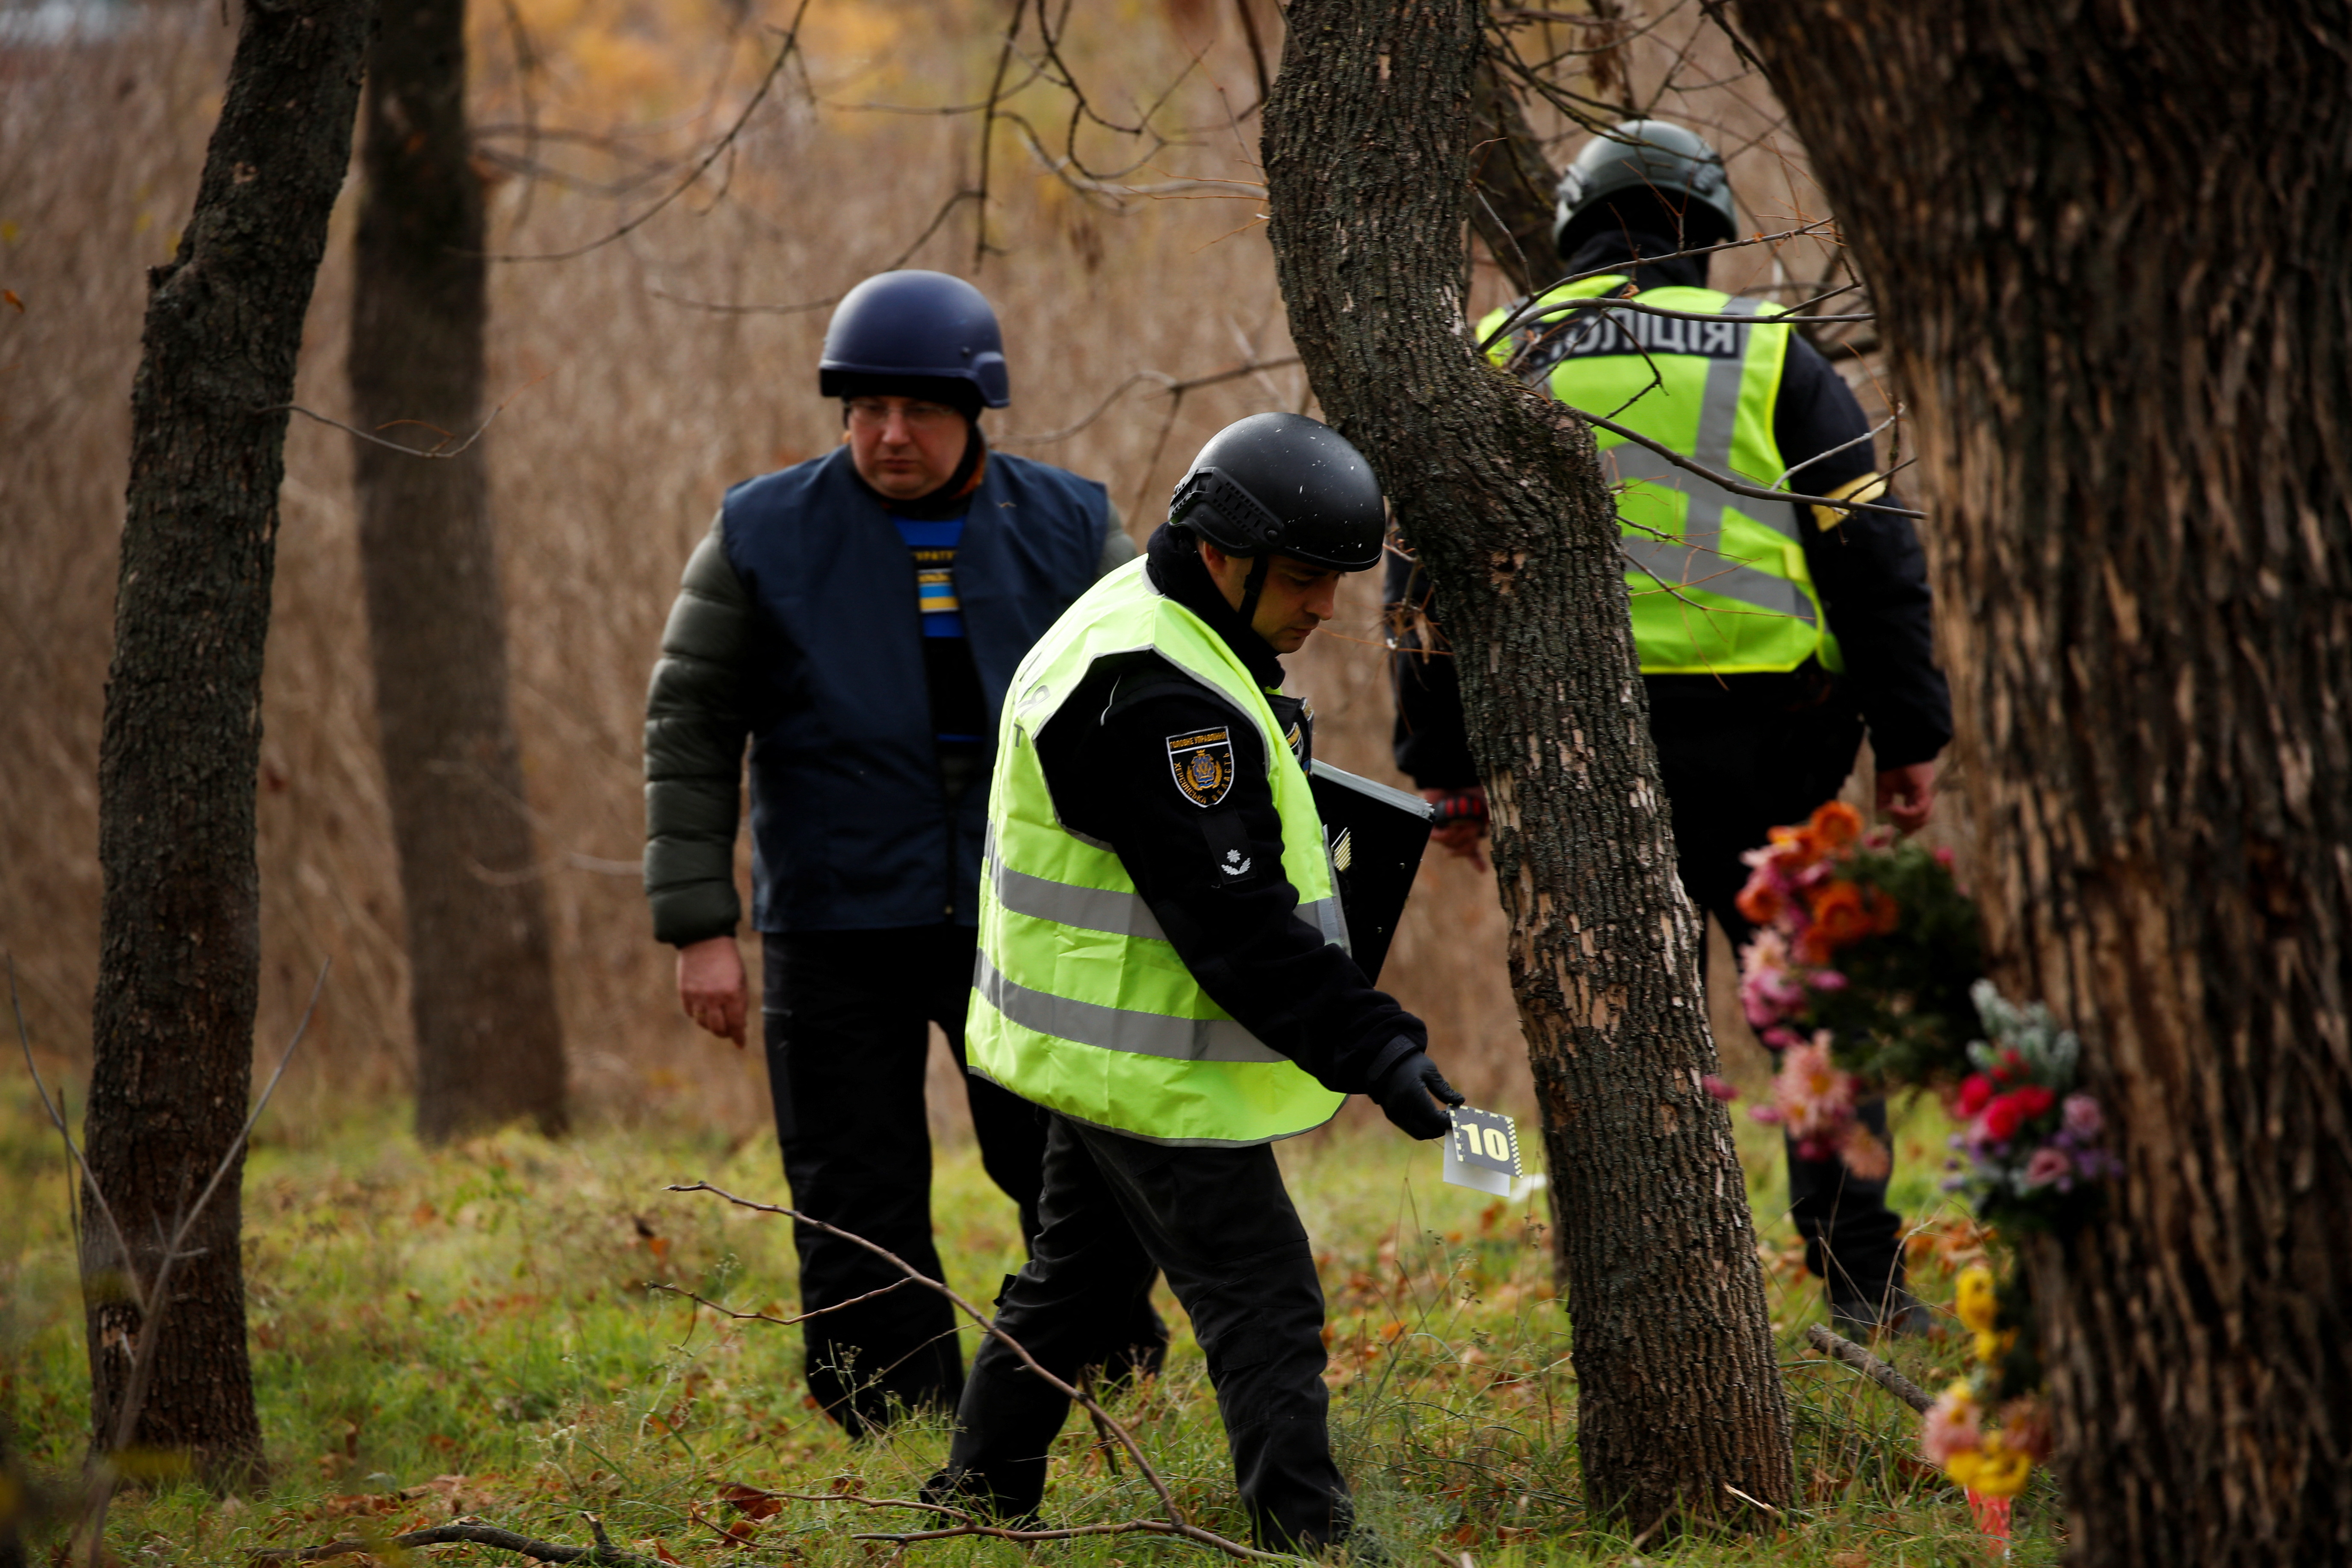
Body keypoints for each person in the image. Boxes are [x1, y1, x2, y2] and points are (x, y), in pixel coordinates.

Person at [1389, 121, 1951, 1334]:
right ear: (1703, 233)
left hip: (1580, 752)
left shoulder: (1501, 350)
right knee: (1816, 1011)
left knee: (1626, 1031)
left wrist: (1444, 767)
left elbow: (1420, 573)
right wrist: (1911, 732)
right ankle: (1862, 1284)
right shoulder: (1768, 347)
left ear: (1574, 232)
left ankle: (1656, 1298)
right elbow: (1869, 548)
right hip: (1778, 751)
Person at [927, 413, 1463, 1552]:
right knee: (1263, 1295)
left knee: (1075, 1282)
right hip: (1147, 1062)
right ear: (1224, 553)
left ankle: (976, 1501)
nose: (1325, 606)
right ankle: (1306, 1538)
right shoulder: (1157, 699)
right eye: (1305, 578)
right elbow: (1237, 930)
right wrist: (1379, 1050)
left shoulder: (1150, 618)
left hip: (1098, 1049)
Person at [642, 269, 1163, 1436]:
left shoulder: (1073, 528)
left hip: (1027, 914)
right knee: (852, 1188)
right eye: (866, 410)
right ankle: (896, 1417)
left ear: (975, 411)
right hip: (833, 919)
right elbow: (688, 725)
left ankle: (1105, 1380)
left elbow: (1150, 710)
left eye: (919, 410)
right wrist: (699, 925)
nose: (890, 434)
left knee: (1068, 1162)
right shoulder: (759, 533)